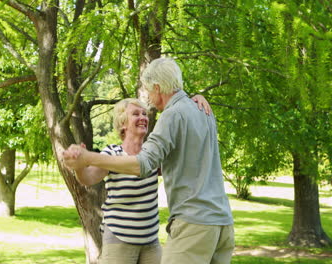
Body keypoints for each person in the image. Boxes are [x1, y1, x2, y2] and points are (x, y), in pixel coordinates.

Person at [64, 57, 233, 264]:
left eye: (149, 91)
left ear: (158, 87)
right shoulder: (203, 111)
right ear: (123, 123)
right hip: (222, 223)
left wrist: (88, 157)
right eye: (136, 113)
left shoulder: (172, 116)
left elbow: (141, 165)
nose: (150, 101)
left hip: (193, 224)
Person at [70, 95, 212, 264]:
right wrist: (79, 164)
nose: (143, 118)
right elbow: (88, 178)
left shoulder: (153, 155)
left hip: (150, 240)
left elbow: (183, 160)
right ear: (123, 123)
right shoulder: (113, 154)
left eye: (144, 114)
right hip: (119, 237)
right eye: (136, 114)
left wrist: (193, 100)